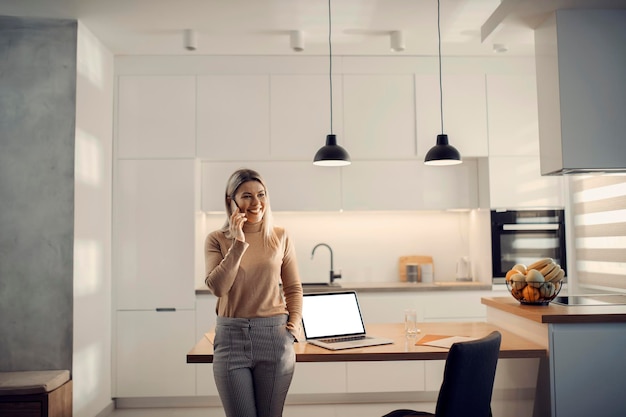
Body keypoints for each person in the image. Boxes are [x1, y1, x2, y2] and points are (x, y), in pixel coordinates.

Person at [204, 168, 303, 417]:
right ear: (231, 200)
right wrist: (238, 244)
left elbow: (293, 288)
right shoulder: (217, 239)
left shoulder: (280, 236)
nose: (256, 203)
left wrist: (293, 327)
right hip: (231, 338)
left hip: (274, 336)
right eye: (247, 196)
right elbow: (218, 287)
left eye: (261, 194)